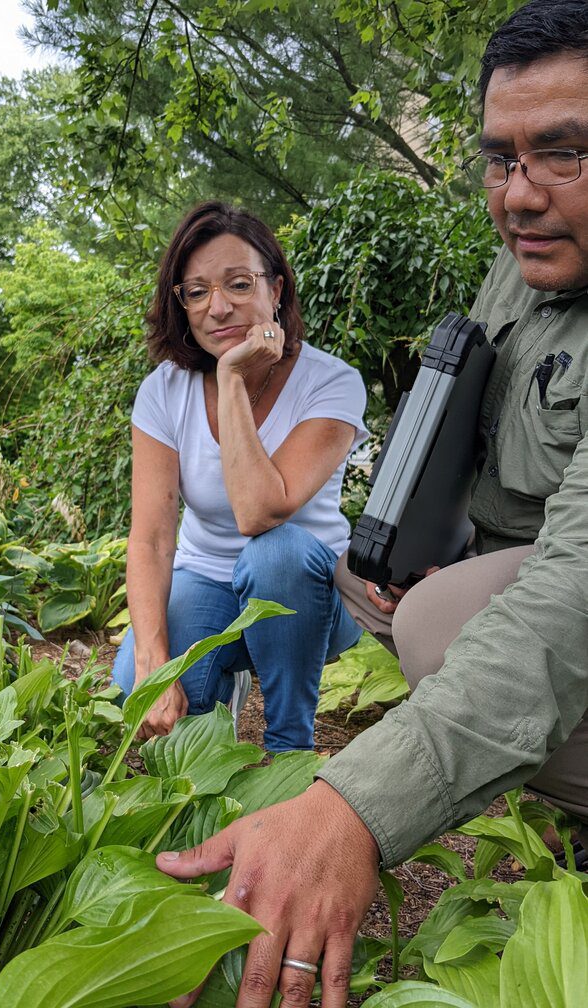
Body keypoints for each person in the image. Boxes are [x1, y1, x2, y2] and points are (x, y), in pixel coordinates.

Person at [155, 3, 588, 1006]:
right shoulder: (526, 264)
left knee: (426, 614)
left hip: (566, 597)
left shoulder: (320, 386)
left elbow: (569, 588)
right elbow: (471, 446)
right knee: (369, 565)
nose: (518, 196)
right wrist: (449, 547)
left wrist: (352, 809)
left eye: (564, 153)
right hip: (523, 560)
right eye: (499, 158)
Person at [112, 201, 367, 752]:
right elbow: (152, 539)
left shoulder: (332, 383)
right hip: (206, 581)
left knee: (274, 553)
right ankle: (219, 687)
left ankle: (289, 749)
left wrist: (230, 379)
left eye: (238, 284)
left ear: (275, 290)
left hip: (313, 596)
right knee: (136, 688)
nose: (218, 308)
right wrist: (155, 664)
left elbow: (259, 511)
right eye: (197, 291)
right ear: (180, 304)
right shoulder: (164, 390)